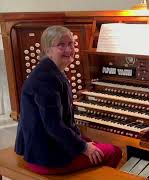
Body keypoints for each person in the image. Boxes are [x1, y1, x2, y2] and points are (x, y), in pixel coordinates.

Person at [15, 25, 122, 175]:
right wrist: (83, 147)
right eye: (61, 45)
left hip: (42, 146)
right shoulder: (46, 78)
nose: (69, 49)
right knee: (114, 151)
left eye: (71, 43)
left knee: (94, 145)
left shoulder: (51, 70)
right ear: (47, 50)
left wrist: (82, 142)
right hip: (44, 157)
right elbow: (54, 125)